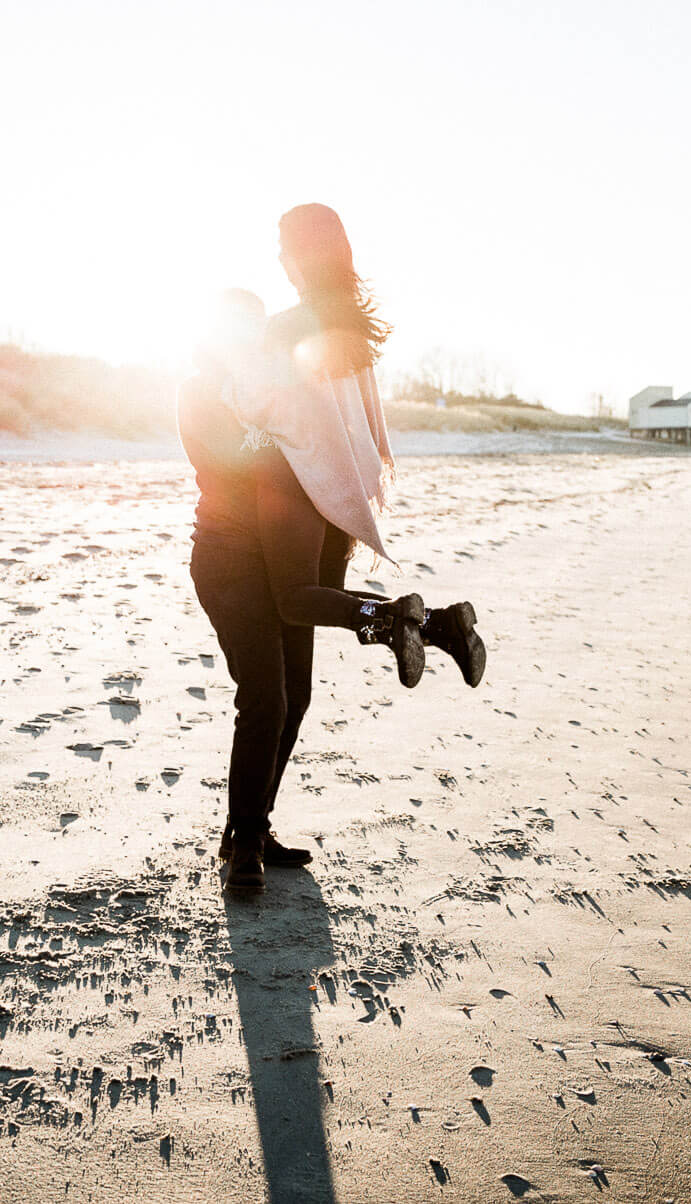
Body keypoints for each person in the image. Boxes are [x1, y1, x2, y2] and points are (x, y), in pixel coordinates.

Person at [188, 208, 485, 894]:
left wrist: (268, 406)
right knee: (274, 691)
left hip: (290, 519)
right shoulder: (219, 381)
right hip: (278, 532)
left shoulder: (281, 347)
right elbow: (263, 443)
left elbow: (289, 410)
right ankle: (244, 849)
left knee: (293, 676)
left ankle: (250, 831)